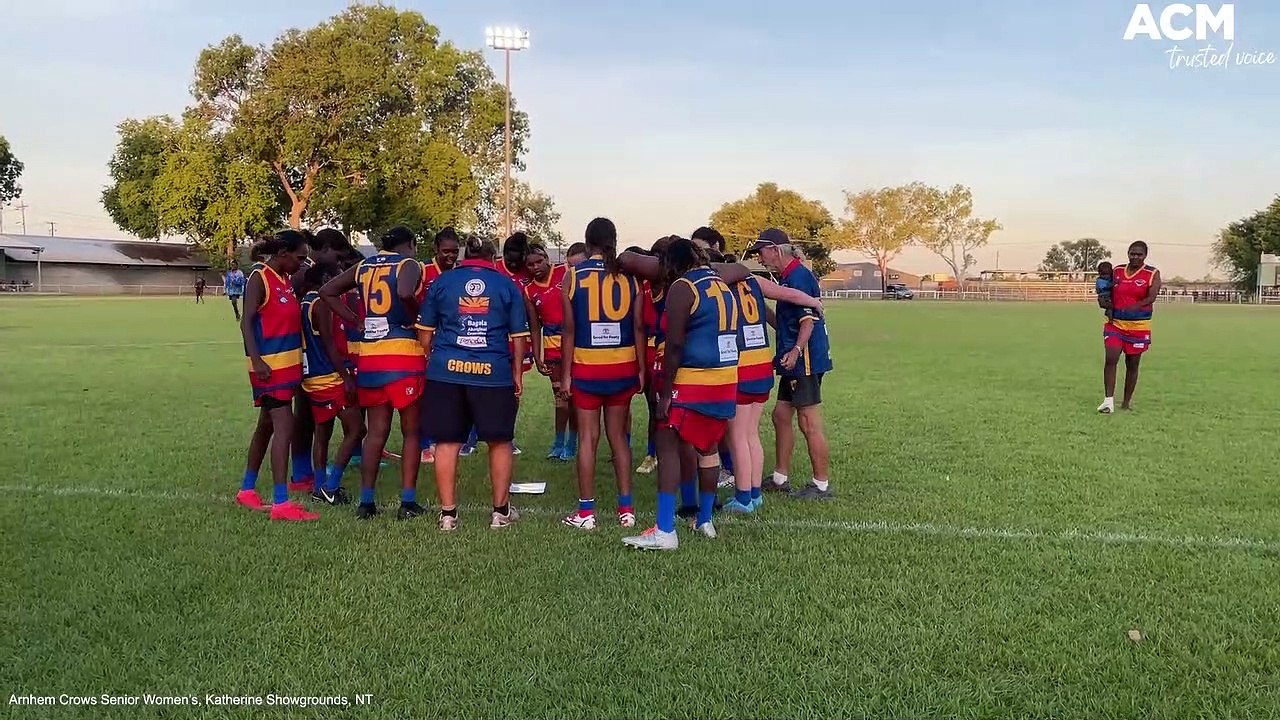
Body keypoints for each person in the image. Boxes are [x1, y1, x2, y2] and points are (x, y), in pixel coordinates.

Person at [623, 238, 739, 550]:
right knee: (708, 447)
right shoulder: (721, 284)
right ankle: (704, 519)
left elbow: (674, 344)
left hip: (693, 377)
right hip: (725, 378)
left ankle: (665, 530)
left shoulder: (683, 287)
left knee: (667, 442)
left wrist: (664, 392)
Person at [416, 235, 529, 531]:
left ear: (465, 255)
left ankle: (448, 515)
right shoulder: (507, 285)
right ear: (494, 258)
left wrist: (434, 359)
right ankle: (499, 512)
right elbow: (519, 339)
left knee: (447, 442)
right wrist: (516, 373)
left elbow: (425, 334)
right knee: (500, 441)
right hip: (493, 374)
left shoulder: (442, 282)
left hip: (446, 372)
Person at [320, 225, 427, 520]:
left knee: (376, 433)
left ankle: (366, 502)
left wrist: (356, 320)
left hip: (370, 358)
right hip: (403, 357)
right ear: (411, 244)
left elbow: (327, 291)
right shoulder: (408, 264)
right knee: (411, 432)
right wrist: (420, 316)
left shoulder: (364, 265)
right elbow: (405, 292)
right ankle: (407, 502)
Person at [721, 260, 826, 513]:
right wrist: (813, 302)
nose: (759, 258)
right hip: (761, 365)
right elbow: (785, 298)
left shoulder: (717, 286)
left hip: (744, 365)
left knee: (739, 436)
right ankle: (763, 488)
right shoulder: (754, 283)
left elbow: (802, 315)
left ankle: (745, 497)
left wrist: (796, 346)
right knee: (763, 426)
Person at [560, 218, 645, 530]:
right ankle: (626, 510)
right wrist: (641, 368)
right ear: (614, 240)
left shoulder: (572, 276)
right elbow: (638, 326)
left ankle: (586, 513)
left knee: (587, 439)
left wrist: (566, 374)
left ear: (587, 241)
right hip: (622, 366)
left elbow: (568, 330)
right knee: (619, 439)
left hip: (587, 367)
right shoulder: (630, 279)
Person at [234, 230, 319, 522]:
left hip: (286, 366)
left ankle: (247, 489)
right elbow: (246, 322)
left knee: (266, 428)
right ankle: (282, 503)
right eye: (299, 258)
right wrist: (256, 361)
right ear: (282, 254)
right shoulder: (259, 277)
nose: (302, 263)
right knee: (285, 428)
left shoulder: (284, 280)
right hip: (269, 368)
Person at [747, 228, 834, 500]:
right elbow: (784, 322)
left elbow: (808, 320)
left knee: (809, 421)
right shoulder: (786, 278)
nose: (759, 259)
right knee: (781, 415)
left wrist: (796, 350)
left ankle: (821, 485)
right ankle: (780, 478)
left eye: (760, 252)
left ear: (775, 249)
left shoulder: (798, 277)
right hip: (792, 357)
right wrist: (762, 310)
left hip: (803, 358)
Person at [287, 230, 346, 492]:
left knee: (313, 417)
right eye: (337, 255)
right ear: (324, 250)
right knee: (305, 416)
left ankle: (311, 471)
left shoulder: (310, 272)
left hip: (308, 356)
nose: (338, 262)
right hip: (306, 356)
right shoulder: (305, 274)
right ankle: (302, 472)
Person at [299, 264, 360, 505]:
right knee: (357, 429)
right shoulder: (322, 304)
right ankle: (331, 486)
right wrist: (346, 377)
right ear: (325, 278)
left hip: (312, 376)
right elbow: (329, 344)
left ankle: (318, 487)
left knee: (322, 433)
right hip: (328, 377)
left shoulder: (304, 302)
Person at [523, 243, 576, 460]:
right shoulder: (529, 290)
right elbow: (535, 326)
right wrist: (537, 354)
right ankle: (558, 442)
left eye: (539, 261)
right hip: (552, 348)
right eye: (530, 264)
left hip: (574, 344)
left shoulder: (565, 272)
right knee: (560, 398)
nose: (536, 267)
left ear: (547, 258)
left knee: (573, 397)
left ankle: (572, 443)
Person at [1100, 241, 1161, 413]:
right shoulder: (1117, 271)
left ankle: (1126, 403)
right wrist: (1104, 301)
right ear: (1128, 253)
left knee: (1132, 364)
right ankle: (1108, 401)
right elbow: (1106, 290)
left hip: (1138, 327)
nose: (1135, 257)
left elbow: (1152, 297)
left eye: (1139, 254)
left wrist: (1137, 305)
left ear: (1145, 255)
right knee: (1111, 358)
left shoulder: (1152, 274)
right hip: (1116, 324)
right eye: (1132, 253)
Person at [418, 227, 462, 465]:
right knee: (425, 394)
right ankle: (425, 444)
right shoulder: (423, 271)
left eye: (455, 251)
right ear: (436, 249)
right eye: (446, 251)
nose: (451, 256)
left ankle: (446, 440)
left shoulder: (460, 274)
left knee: (449, 395)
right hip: (425, 341)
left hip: (451, 343)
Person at [636, 237, 674, 475]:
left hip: (671, 352)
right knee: (653, 404)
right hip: (650, 351)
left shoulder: (677, 286)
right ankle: (653, 453)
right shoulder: (645, 285)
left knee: (670, 405)